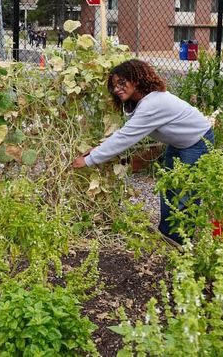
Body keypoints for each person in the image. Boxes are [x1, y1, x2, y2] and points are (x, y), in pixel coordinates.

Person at [70, 59, 213, 244]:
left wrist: (89, 160)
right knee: (169, 187)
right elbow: (125, 131)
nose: (117, 89)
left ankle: (181, 243)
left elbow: (126, 138)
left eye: (122, 82)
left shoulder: (153, 103)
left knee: (185, 192)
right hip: (178, 142)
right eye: (114, 86)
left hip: (197, 141)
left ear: (136, 79)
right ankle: (167, 235)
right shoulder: (138, 102)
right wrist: (97, 149)